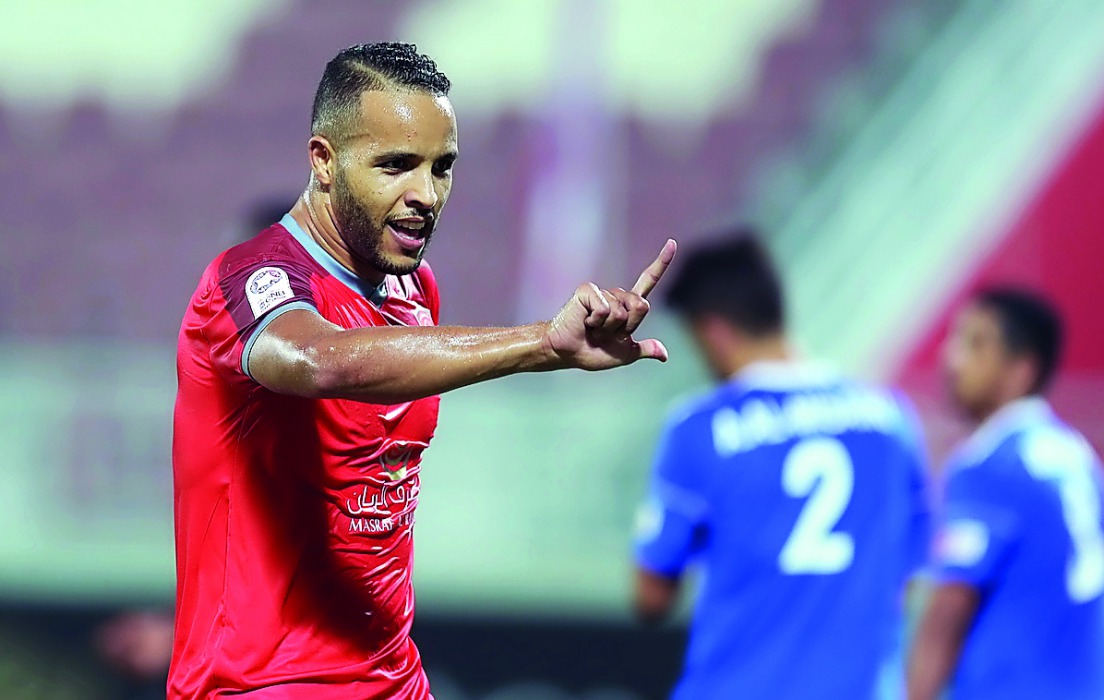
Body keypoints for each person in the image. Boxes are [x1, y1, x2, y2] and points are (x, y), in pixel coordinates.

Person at [170, 42, 675, 700]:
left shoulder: (415, 291)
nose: (425, 195)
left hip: (395, 681)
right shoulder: (249, 280)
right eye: (397, 166)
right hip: (261, 688)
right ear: (324, 161)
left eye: (443, 168)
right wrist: (541, 346)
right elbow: (316, 360)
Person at [630, 232, 930, 699]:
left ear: (714, 331)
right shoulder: (890, 420)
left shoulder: (700, 428)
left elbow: (652, 596)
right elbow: (907, 574)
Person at [907, 288, 1104, 700]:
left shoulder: (990, 466)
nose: (951, 360)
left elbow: (949, 609)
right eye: (955, 341)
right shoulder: (1077, 456)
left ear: (1021, 370)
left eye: (976, 344)